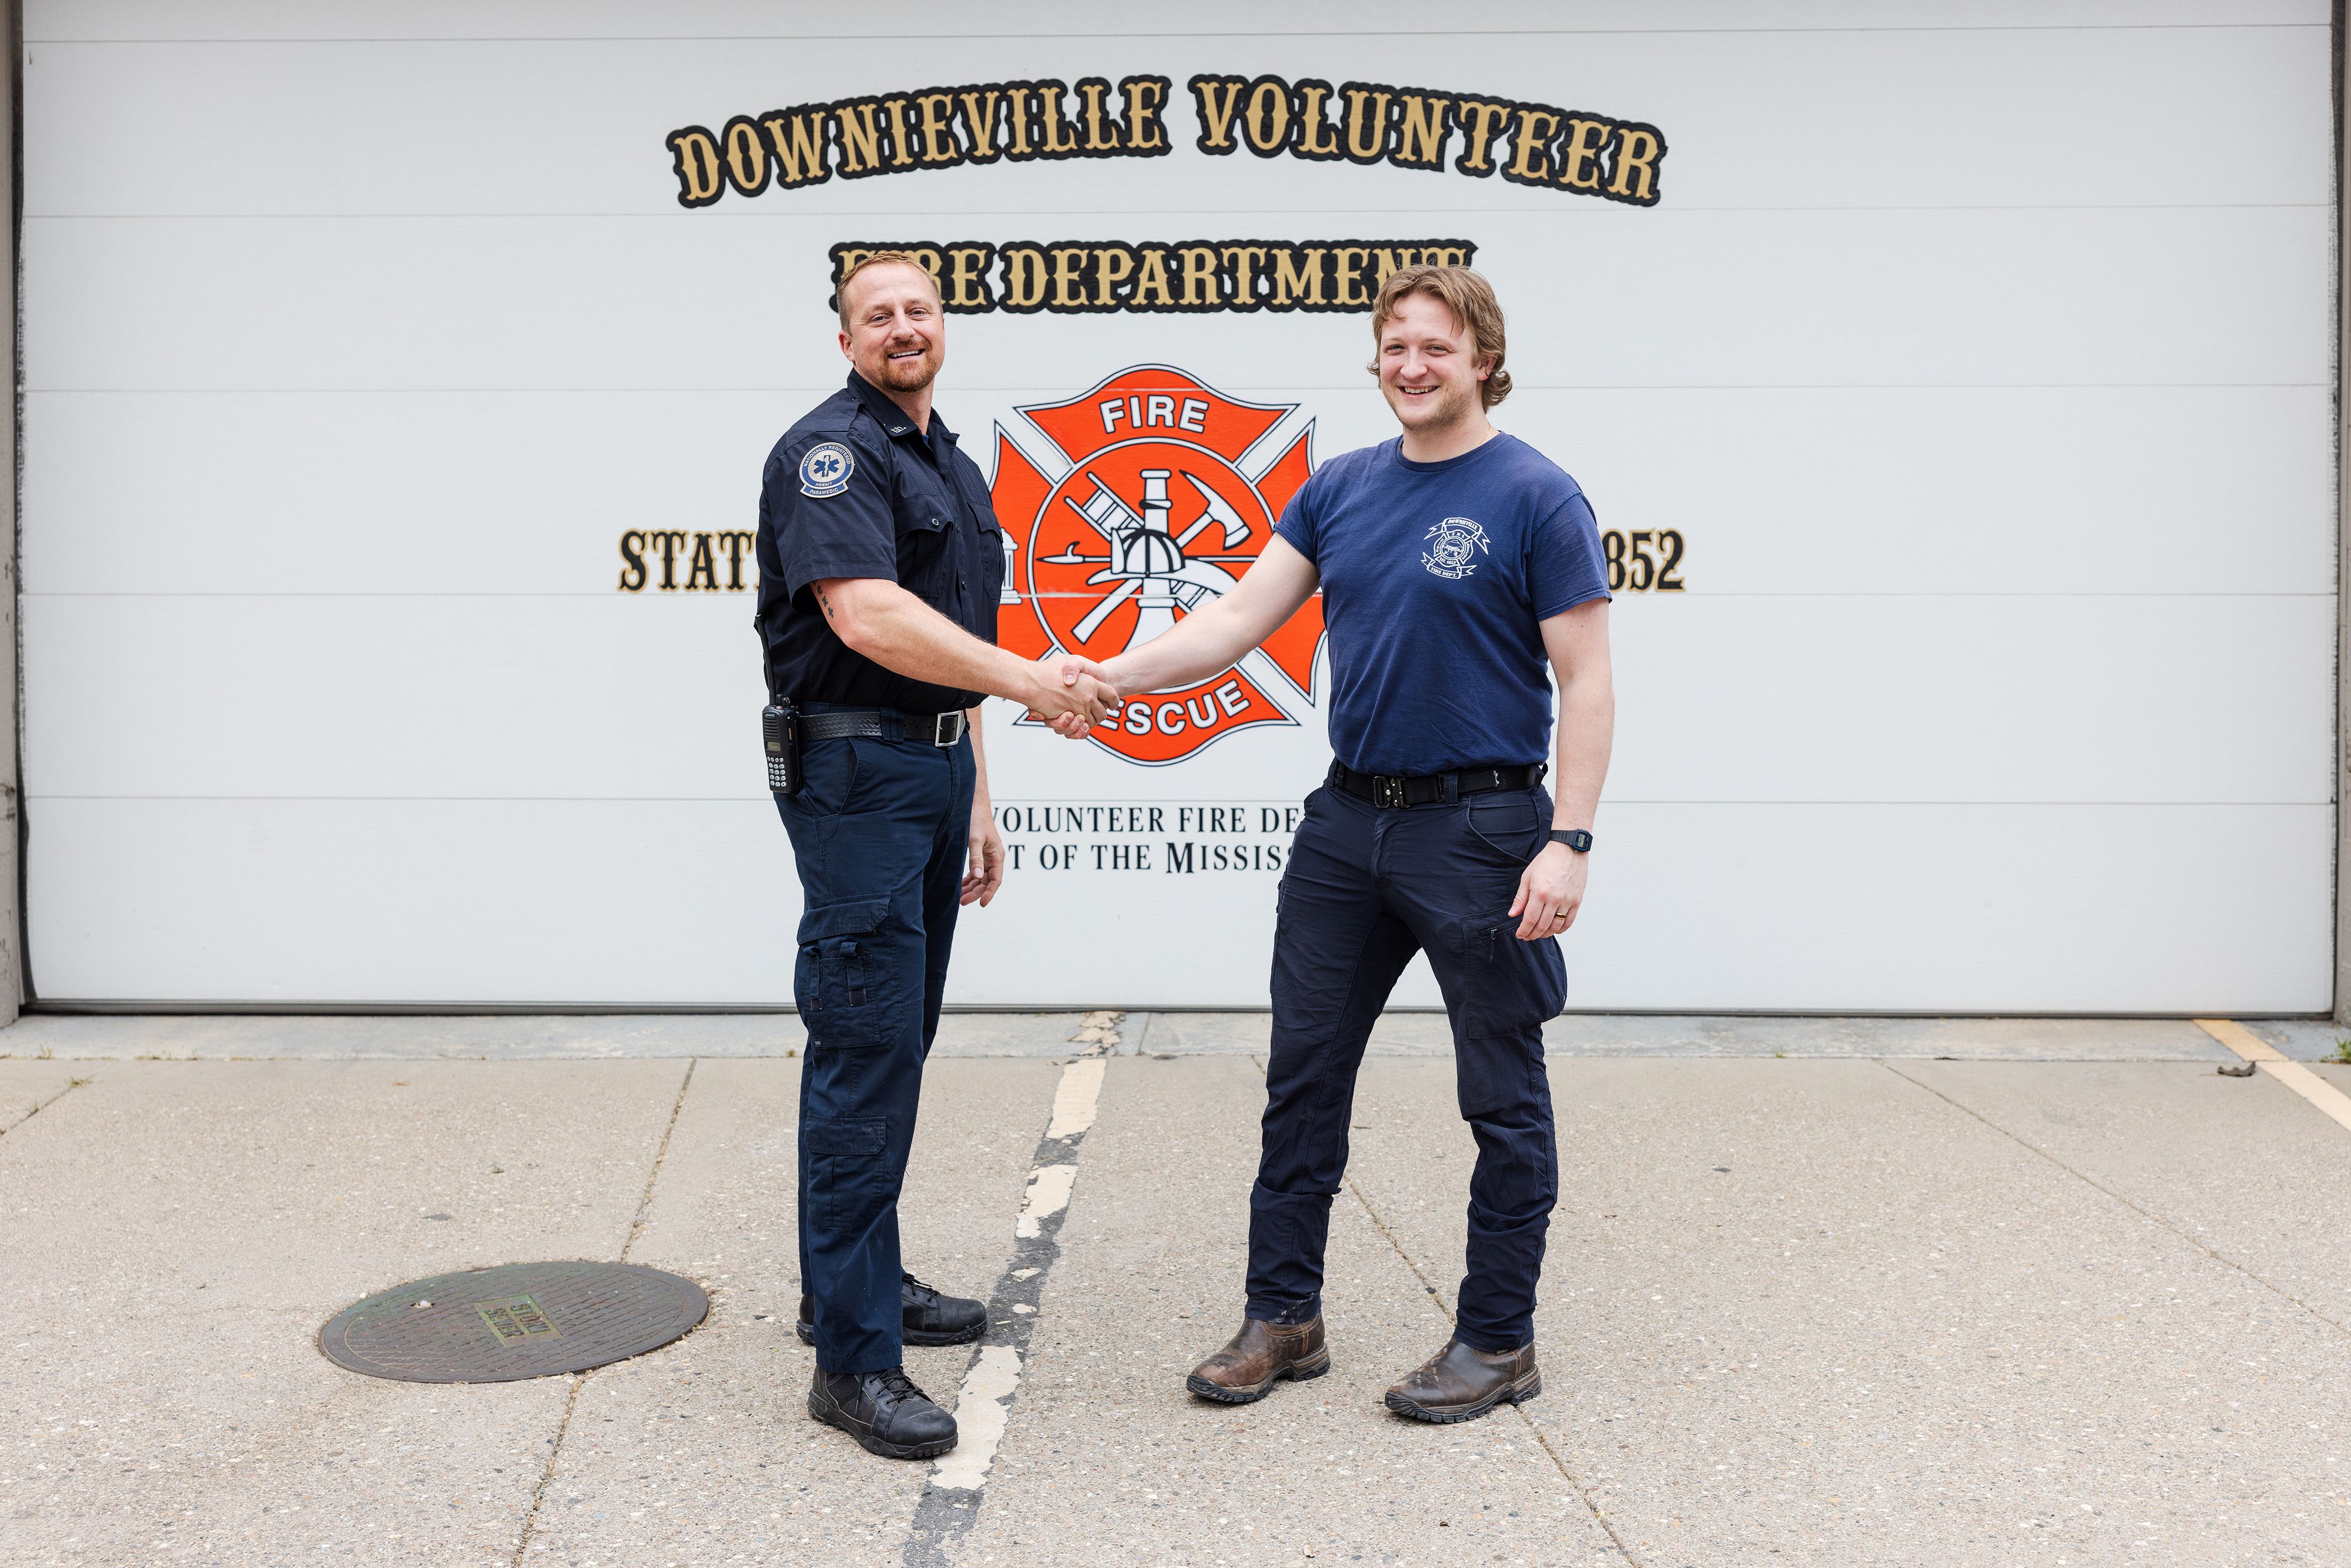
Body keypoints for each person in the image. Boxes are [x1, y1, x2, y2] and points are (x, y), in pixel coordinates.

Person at [1061, 264, 1614, 1423]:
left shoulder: (1534, 495)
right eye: (1394, 346)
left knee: (1499, 1092)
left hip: (1480, 826)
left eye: (1436, 346)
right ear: (1377, 361)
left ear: (1481, 359)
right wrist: (1104, 675)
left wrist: (1566, 838)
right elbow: (1229, 620)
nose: (1412, 365)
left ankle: (1497, 1338)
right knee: (1301, 1071)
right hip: (1345, 823)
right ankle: (1283, 1314)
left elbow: (1587, 679)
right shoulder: (1338, 489)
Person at [756, 250, 1114, 1460]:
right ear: (845, 336)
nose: (902, 327)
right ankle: (853, 1363)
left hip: (928, 765)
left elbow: (950, 648)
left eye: (918, 309)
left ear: (942, 323)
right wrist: (1034, 686)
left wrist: (977, 789)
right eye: (877, 315)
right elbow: (865, 614)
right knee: (863, 1043)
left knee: (893, 1037)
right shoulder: (832, 455)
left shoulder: (948, 464)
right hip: (855, 775)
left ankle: (847, 1284)